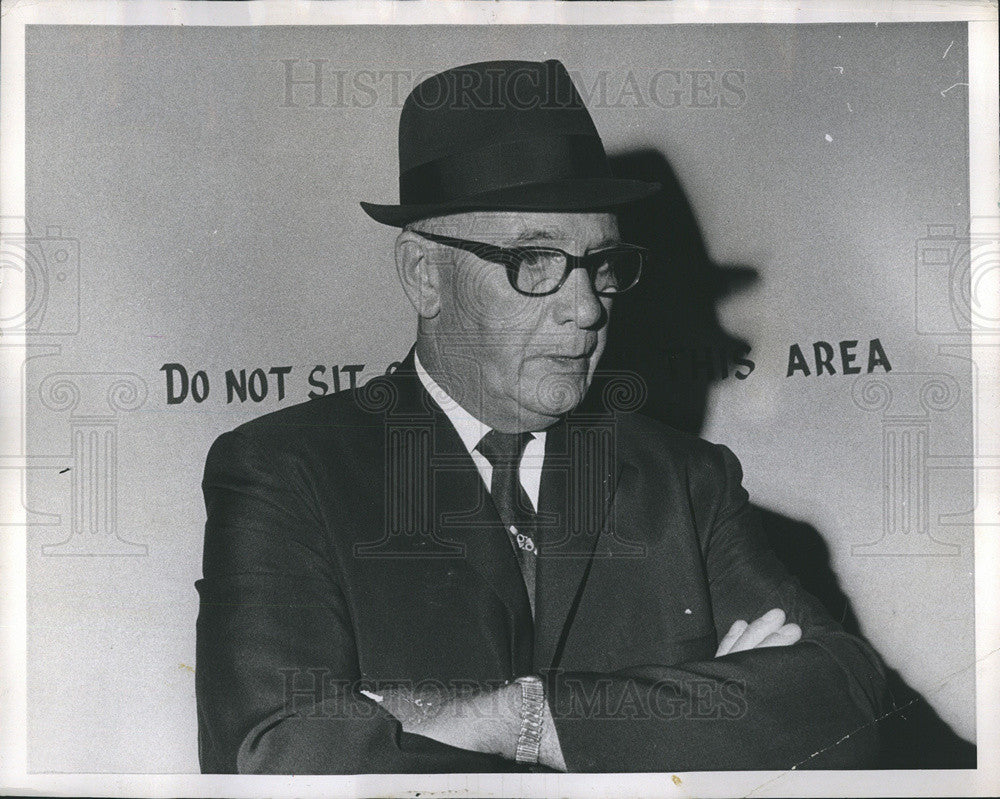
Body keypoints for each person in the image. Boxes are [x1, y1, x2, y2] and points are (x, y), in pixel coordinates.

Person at [195, 59, 887, 774]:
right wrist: (696, 715)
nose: (587, 308)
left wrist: (518, 719)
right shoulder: (288, 472)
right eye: (534, 260)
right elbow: (281, 754)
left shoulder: (684, 480)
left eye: (603, 264)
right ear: (424, 274)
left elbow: (845, 700)